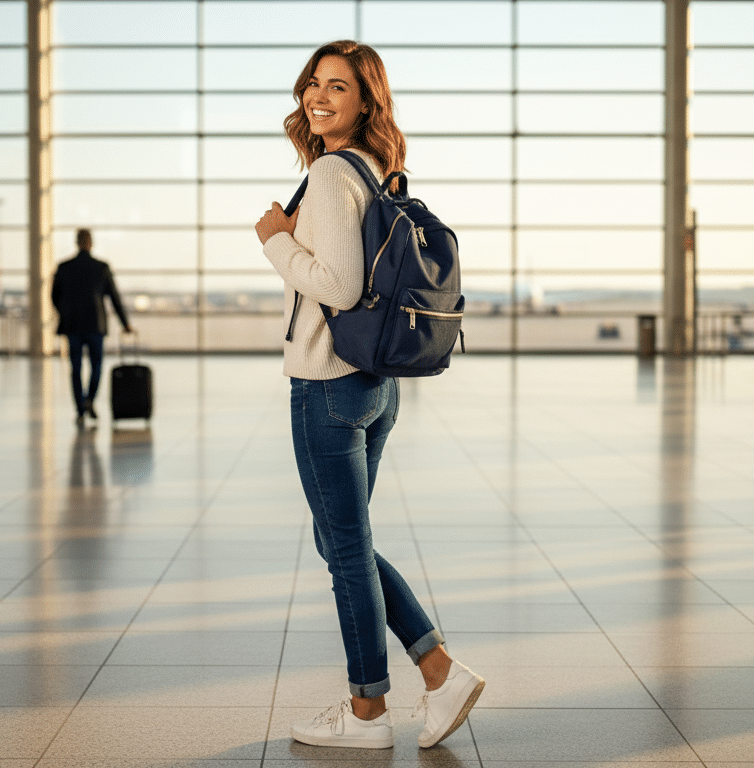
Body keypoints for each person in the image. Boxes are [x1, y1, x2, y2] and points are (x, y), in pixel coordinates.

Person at [254, 40, 484, 751]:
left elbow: (339, 286)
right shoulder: (375, 168)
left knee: (346, 550)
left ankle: (367, 714)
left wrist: (274, 241)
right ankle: (438, 670)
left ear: (364, 102)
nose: (318, 97)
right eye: (313, 84)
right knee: (342, 540)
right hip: (373, 387)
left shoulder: (329, 173)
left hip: (326, 384)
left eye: (338, 87)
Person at [50, 229, 130, 424]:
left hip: (73, 325)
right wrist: (125, 323)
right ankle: (89, 400)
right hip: (96, 325)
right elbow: (114, 297)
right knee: (96, 367)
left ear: (76, 242)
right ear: (91, 243)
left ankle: (79, 407)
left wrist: (65, 312)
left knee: (75, 368)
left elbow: (54, 296)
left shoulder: (64, 267)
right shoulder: (101, 267)